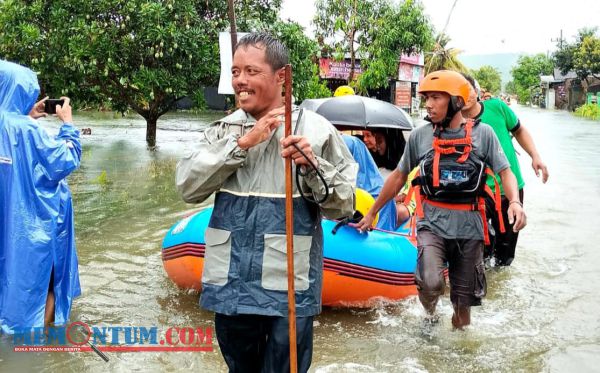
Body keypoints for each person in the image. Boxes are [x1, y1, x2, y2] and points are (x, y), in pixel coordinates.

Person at [175, 33, 356, 372]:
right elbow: (187, 187)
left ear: (281, 76)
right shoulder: (222, 131)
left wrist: (312, 165)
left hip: (288, 287)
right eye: (234, 71)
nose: (240, 81)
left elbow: (343, 205)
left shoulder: (316, 131)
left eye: (251, 71)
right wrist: (241, 145)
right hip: (230, 284)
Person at [353, 70, 526, 329]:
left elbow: (505, 172)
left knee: (463, 306)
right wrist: (371, 213)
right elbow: (398, 177)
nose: (428, 105)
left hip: (470, 229)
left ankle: (457, 347)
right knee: (432, 282)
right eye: (426, 98)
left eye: (436, 98)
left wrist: (514, 202)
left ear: (456, 102)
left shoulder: (484, 134)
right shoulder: (421, 137)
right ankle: (430, 314)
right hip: (431, 225)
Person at [0, 60, 81, 333]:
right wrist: (68, 124)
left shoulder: (14, 125)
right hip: (32, 224)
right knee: (46, 282)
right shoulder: (28, 130)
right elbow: (65, 160)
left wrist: (26, 114)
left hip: (6, 222)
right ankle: (33, 340)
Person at [461, 74, 549, 266]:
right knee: (479, 251)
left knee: (506, 253)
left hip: (509, 189)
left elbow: (519, 130)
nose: (465, 95)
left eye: (468, 88)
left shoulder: (498, 107)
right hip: (477, 193)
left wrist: (535, 156)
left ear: (476, 92)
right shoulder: (454, 121)